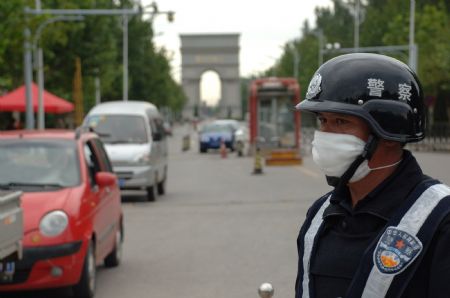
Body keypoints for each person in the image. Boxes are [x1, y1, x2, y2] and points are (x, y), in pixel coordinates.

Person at [294, 53, 450, 298]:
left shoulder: (441, 220)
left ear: (389, 131)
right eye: (323, 121)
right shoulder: (320, 215)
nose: (325, 135)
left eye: (341, 122)